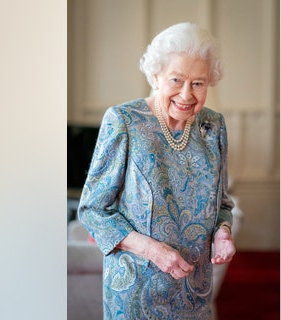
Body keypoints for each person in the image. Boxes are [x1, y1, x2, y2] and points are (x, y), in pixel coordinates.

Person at [78, 22, 236, 320]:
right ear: (155, 76)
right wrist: (154, 251)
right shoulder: (123, 121)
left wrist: (223, 232)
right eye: (176, 80)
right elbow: (92, 210)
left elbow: (223, 204)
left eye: (198, 83)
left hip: (193, 290)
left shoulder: (213, 126)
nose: (187, 95)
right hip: (136, 291)